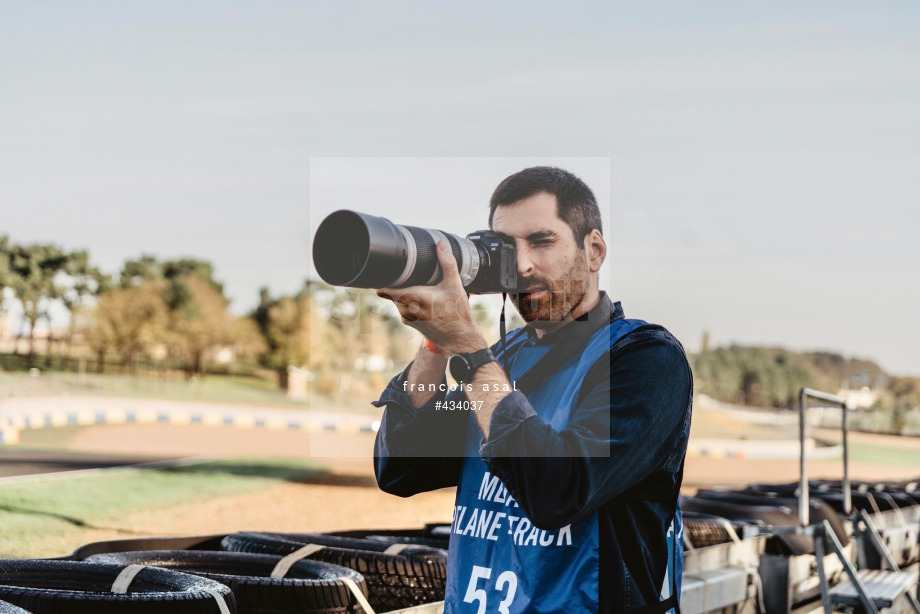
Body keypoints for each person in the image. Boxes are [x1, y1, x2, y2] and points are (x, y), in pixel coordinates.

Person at [372, 166, 692, 614]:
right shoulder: (500, 360)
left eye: (542, 242)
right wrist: (436, 341)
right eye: (506, 247)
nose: (522, 265)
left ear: (594, 250)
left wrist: (469, 347)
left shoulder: (646, 359)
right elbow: (401, 468)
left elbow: (556, 491)